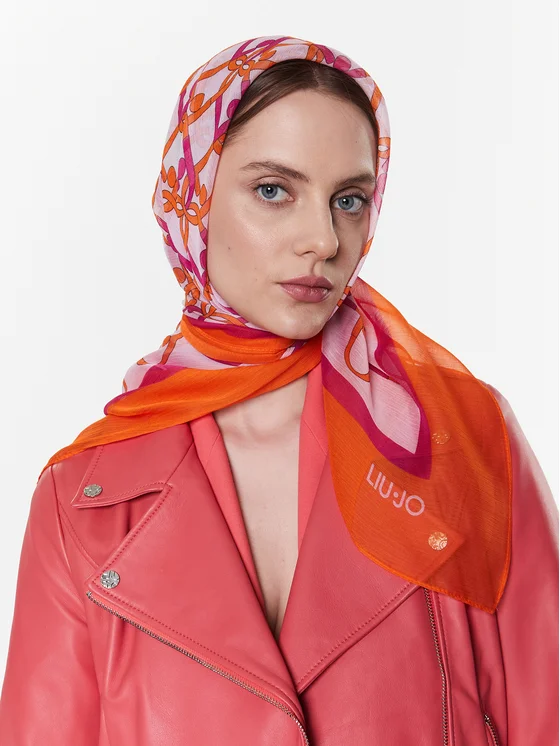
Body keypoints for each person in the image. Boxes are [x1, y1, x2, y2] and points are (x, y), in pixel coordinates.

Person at [0, 34, 557, 746]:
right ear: (193, 197)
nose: (323, 239)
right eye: (273, 190)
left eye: (349, 200)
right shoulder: (80, 499)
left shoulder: (465, 439)